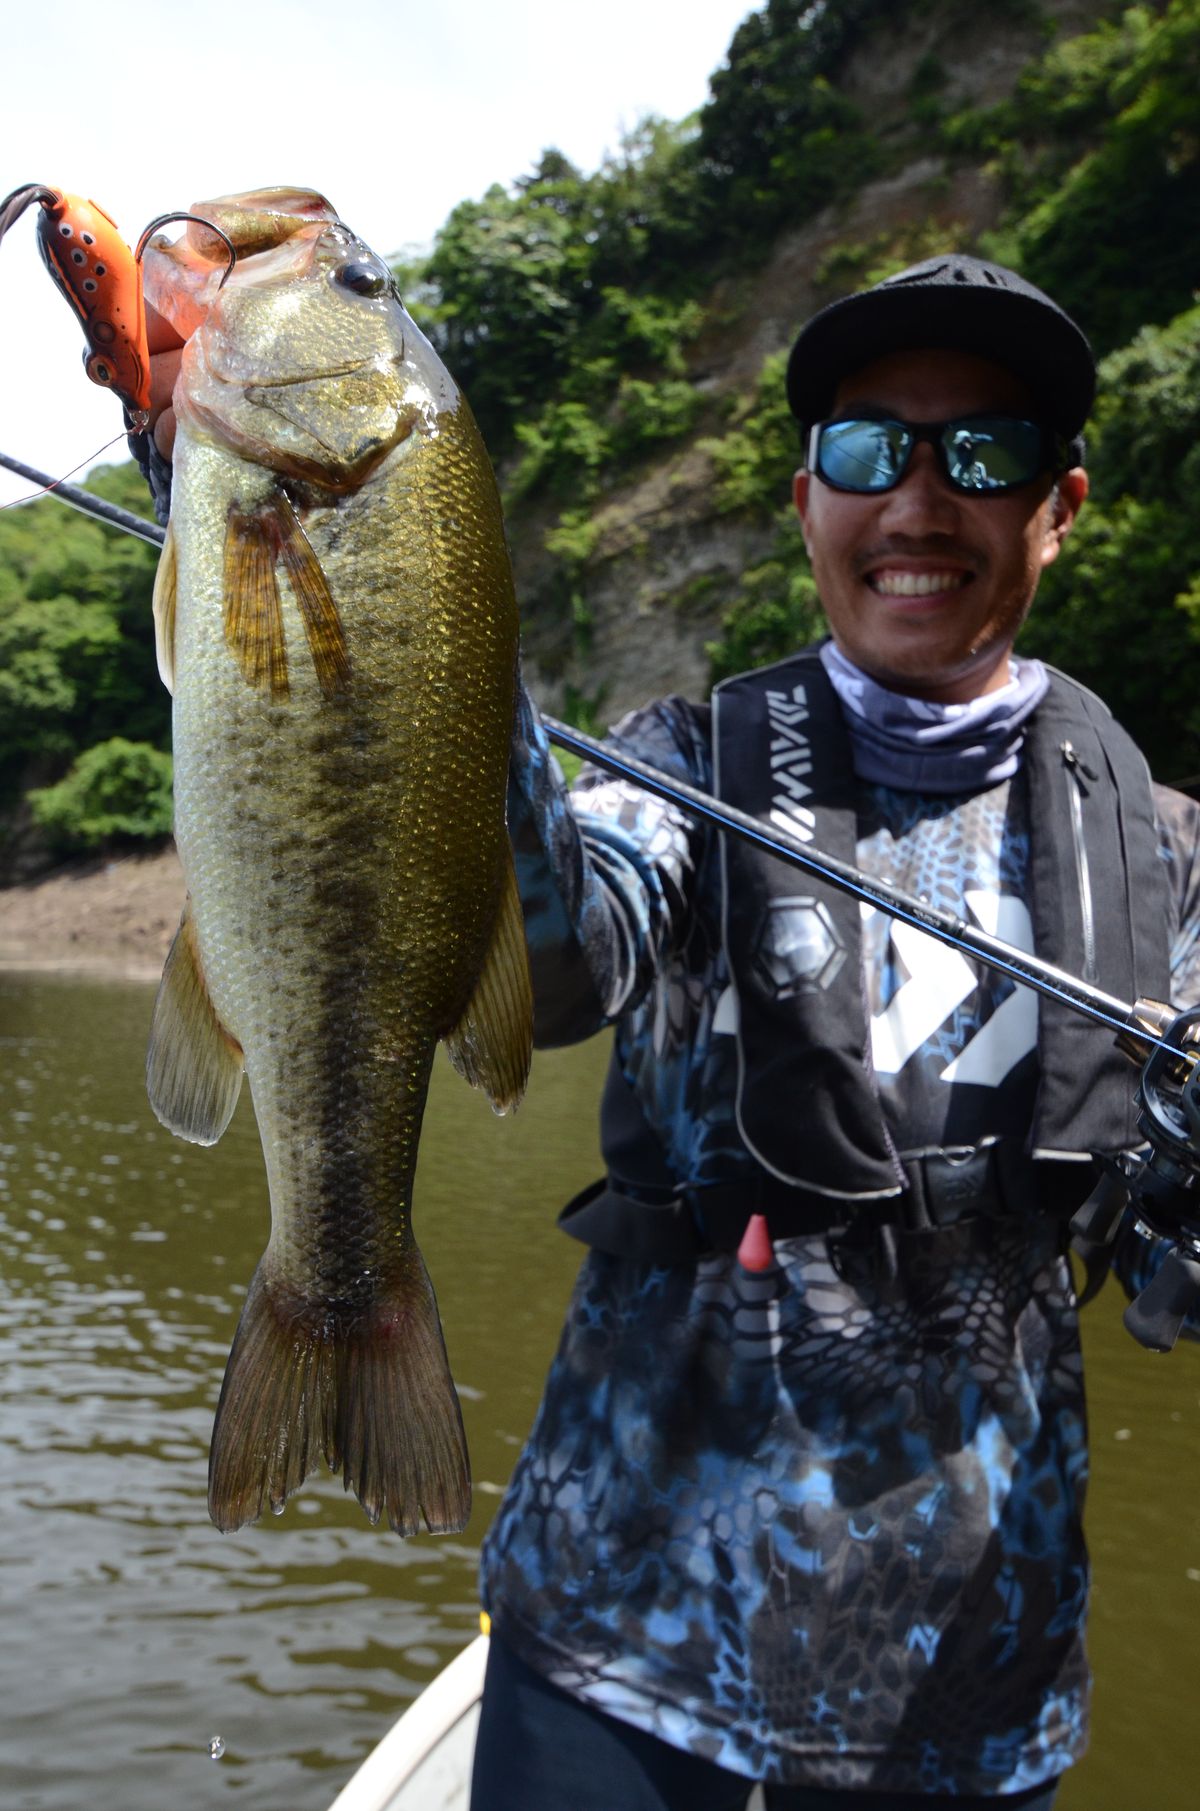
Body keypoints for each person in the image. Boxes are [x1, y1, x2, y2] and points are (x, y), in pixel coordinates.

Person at [137, 253, 1200, 1808]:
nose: (915, 501)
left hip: (968, 1685)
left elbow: (1178, 1277)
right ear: (802, 501)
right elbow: (559, 966)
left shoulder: (1170, 863)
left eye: (985, 452)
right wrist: (409, 598)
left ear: (1063, 504)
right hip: (615, 1628)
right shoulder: (686, 768)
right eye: (862, 449)